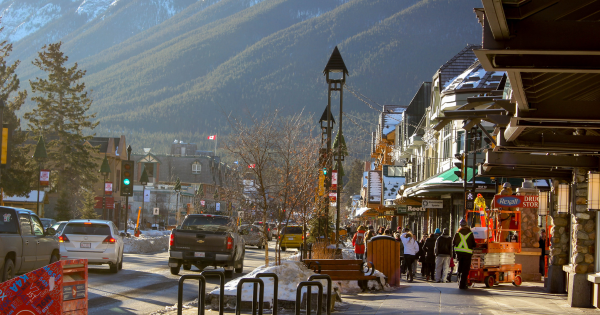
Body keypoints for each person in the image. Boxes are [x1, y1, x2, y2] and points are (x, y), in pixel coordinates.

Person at [453, 219, 476, 289]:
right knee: (465, 269)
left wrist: (454, 254)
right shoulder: (470, 233)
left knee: (460, 268)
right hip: (467, 254)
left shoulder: (457, 233)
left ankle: (459, 280)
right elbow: (474, 244)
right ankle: (462, 284)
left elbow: (453, 243)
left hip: (459, 254)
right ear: (466, 225)